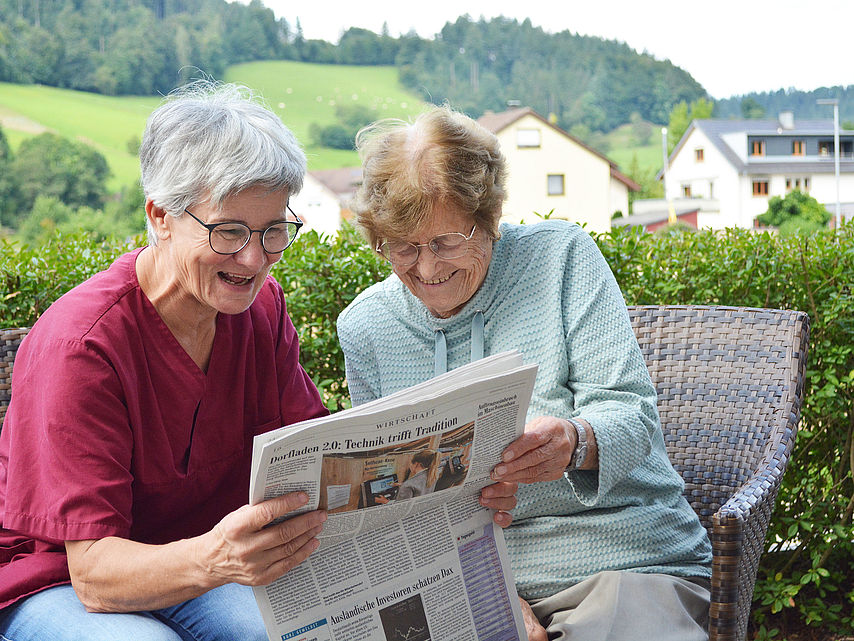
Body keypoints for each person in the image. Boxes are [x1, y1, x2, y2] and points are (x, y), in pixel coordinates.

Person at [336, 106, 714, 641]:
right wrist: (488, 600)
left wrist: (576, 441)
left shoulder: (561, 260)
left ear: (487, 220)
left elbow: (632, 416)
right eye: (403, 246)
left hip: (618, 561)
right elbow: (394, 514)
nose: (426, 269)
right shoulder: (367, 327)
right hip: (467, 583)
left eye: (445, 242)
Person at [0, 81, 330, 641]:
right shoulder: (82, 345)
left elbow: (314, 454)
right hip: (61, 578)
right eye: (228, 232)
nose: (253, 260)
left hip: (205, 559)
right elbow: (95, 576)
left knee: (297, 630)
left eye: (274, 230)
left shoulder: (261, 310)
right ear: (160, 216)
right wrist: (215, 560)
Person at [374, 449, 440, 503]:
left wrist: (385, 501)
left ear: (417, 464)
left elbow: (400, 508)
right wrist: (402, 485)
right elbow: (420, 486)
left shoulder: (408, 485)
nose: (410, 465)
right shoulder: (433, 475)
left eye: (411, 463)